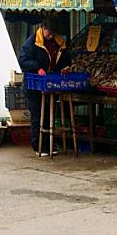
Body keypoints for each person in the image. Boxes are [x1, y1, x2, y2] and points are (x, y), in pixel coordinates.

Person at [17, 16, 71, 157]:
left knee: (49, 116)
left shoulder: (58, 42)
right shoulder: (32, 42)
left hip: (49, 84)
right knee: (37, 116)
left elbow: (65, 59)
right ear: (43, 28)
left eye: (53, 33)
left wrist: (65, 68)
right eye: (49, 32)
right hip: (34, 85)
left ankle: (49, 144)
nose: (51, 35)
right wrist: (37, 68)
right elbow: (23, 60)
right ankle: (38, 146)